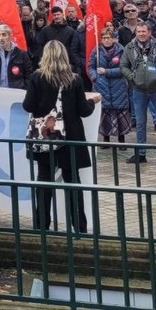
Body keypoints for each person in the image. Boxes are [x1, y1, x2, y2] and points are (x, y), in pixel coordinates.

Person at [23, 40, 101, 233]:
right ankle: (79, 228)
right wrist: (92, 101)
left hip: (46, 136)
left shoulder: (37, 77)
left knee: (44, 181)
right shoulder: (74, 79)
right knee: (73, 182)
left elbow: (28, 106)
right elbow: (83, 111)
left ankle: (42, 227)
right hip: (71, 139)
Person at [121, 23, 156, 166]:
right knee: (140, 123)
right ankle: (141, 153)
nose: (141, 34)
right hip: (138, 90)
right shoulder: (130, 47)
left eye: (144, 31)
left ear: (150, 32)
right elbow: (123, 65)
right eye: (139, 31)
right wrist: (131, 76)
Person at [88, 28, 130, 146]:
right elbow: (90, 66)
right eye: (104, 38)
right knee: (104, 112)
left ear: (113, 38)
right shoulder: (96, 51)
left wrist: (107, 71)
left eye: (108, 38)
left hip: (118, 86)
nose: (106, 40)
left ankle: (121, 140)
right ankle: (105, 139)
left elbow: (124, 68)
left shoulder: (121, 50)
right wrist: (94, 76)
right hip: (101, 85)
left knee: (120, 112)